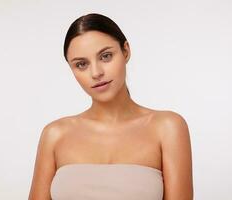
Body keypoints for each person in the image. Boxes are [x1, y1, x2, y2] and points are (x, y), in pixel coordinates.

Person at [28, 13, 193, 200]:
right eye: (81, 64)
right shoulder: (55, 134)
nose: (96, 72)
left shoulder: (167, 127)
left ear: (126, 51)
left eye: (106, 56)